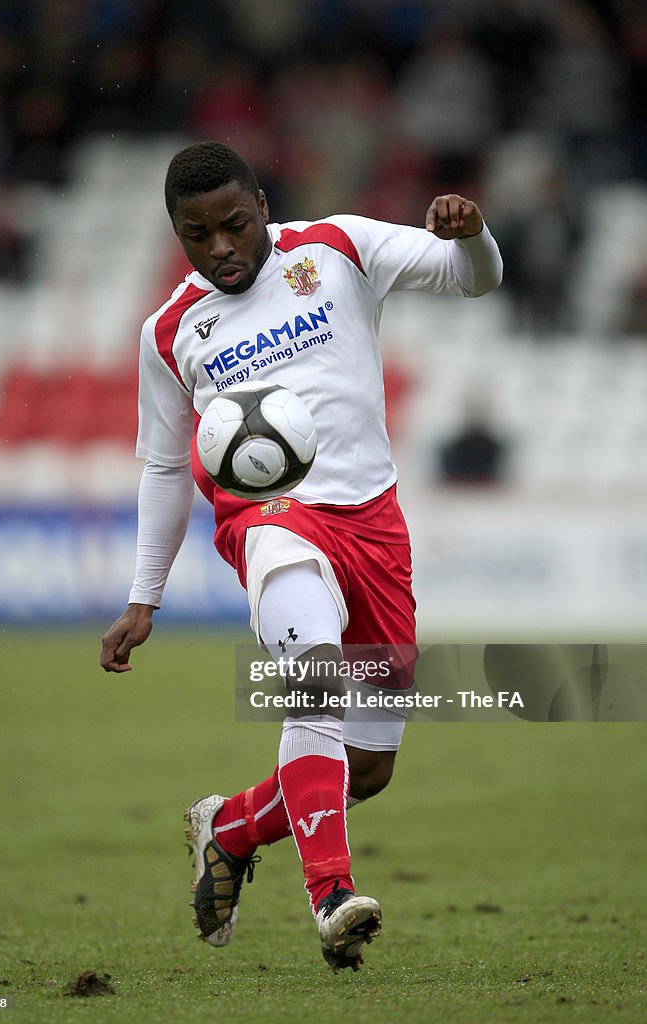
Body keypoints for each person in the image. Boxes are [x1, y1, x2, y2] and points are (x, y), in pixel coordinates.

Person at [100, 141, 502, 971]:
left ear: (261, 205)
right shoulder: (169, 331)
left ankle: (234, 827)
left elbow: (474, 279)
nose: (219, 248)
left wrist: (470, 234)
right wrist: (145, 596)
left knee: (368, 767)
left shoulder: (336, 247)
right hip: (271, 520)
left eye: (234, 225)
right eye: (196, 234)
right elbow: (169, 467)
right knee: (312, 679)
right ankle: (331, 894)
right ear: (175, 233)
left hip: (374, 524)